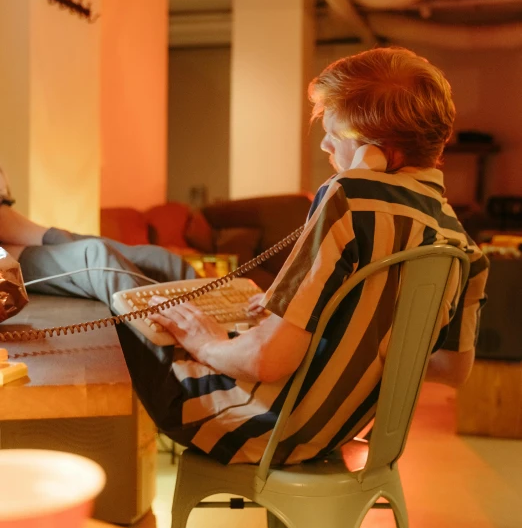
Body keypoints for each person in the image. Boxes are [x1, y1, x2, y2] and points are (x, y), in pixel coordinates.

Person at [145, 47, 489, 466]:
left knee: (127, 288)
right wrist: (344, 327)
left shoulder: (350, 197)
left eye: (336, 133)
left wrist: (207, 342)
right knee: (147, 272)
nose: (326, 143)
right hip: (335, 432)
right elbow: (451, 369)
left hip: (260, 426)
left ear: (378, 152)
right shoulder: (461, 243)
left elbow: (267, 361)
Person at [0, 172, 197, 412]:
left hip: (10, 235)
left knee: (162, 260)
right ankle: (176, 391)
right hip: (6, 255)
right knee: (97, 256)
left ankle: (220, 340)